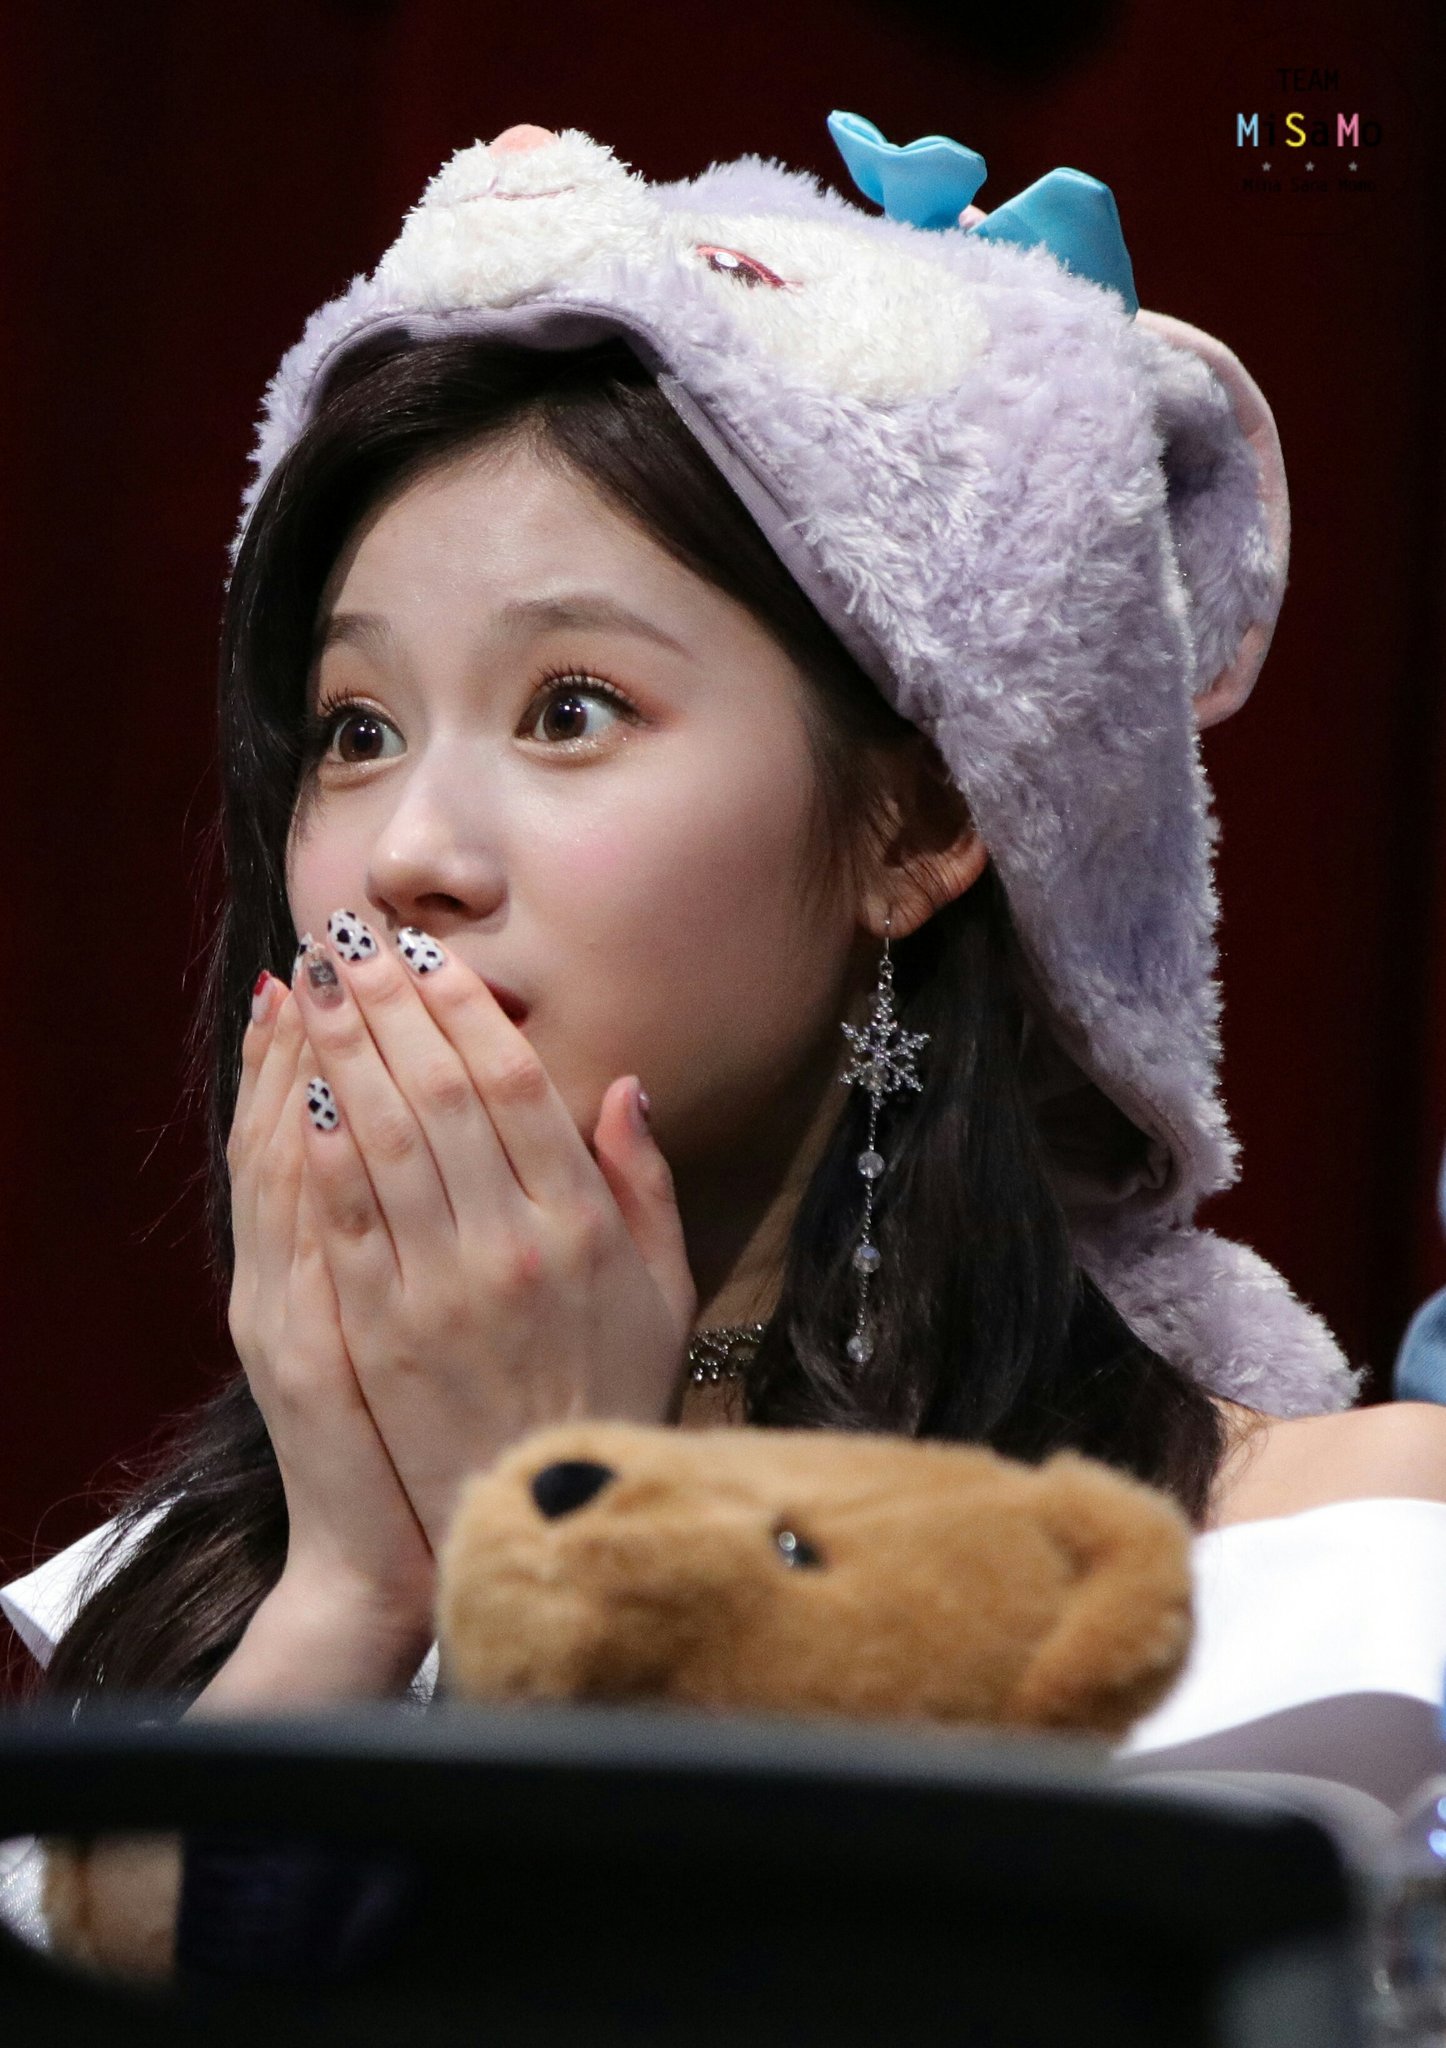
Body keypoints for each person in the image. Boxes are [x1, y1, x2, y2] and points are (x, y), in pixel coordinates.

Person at [7, 115, 1446, 1978]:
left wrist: (581, 1560)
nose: (409, 853)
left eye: (571, 708)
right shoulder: (204, 1599)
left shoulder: (1288, 1578)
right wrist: (362, 1583)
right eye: (353, 730)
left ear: (921, 821)